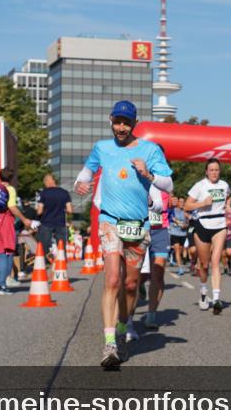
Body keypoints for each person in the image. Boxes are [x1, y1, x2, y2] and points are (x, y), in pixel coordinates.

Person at [74, 100, 173, 368]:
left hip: (138, 225)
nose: (121, 127)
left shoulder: (150, 150)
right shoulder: (102, 148)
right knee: (112, 280)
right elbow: (87, 171)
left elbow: (168, 184)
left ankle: (121, 328)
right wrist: (81, 182)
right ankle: (109, 345)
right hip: (110, 222)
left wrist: (148, 174)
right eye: (117, 122)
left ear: (134, 124)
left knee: (130, 285)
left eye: (126, 123)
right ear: (111, 120)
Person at [184, 159, 231, 313]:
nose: (214, 173)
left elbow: (228, 196)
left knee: (215, 261)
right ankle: (204, 291)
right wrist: (202, 203)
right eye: (211, 170)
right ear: (206, 172)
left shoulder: (224, 185)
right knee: (204, 265)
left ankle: (216, 299)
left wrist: (228, 206)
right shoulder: (199, 186)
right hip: (202, 224)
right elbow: (186, 205)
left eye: (217, 170)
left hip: (219, 224)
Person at [142, 183, 172, 330]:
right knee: (139, 275)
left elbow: (169, 201)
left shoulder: (164, 180)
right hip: (139, 228)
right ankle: (139, 285)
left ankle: (151, 313)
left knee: (158, 272)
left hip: (160, 229)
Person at [36, 173, 73, 261]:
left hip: (46, 223)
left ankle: (45, 263)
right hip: (60, 223)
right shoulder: (64, 193)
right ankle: (62, 264)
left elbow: (39, 211)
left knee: (44, 245)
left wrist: (39, 212)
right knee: (61, 246)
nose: (45, 185)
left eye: (45, 183)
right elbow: (70, 210)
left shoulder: (44, 193)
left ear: (48, 181)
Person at [168, 196, 189, 275]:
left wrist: (185, 225)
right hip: (174, 233)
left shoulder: (185, 211)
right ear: (177, 203)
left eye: (183, 202)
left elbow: (188, 222)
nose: (182, 203)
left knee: (180, 250)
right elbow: (170, 218)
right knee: (177, 249)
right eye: (180, 202)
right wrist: (175, 222)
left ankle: (174, 256)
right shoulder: (173, 210)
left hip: (183, 233)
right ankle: (180, 268)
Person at [222, 206, 231, 275]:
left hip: (230, 235)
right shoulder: (220, 211)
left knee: (229, 252)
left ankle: (229, 263)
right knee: (223, 254)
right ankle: (225, 267)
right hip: (221, 236)